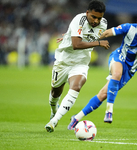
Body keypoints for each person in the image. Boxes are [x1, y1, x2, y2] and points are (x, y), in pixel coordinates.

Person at [45, 0, 109, 133]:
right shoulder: (78, 20)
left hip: (81, 62)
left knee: (76, 87)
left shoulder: (104, 24)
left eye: (99, 17)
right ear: (87, 13)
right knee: (55, 92)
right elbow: (76, 44)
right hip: (63, 61)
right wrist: (98, 43)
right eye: (93, 17)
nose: (96, 21)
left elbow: (88, 36)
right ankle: (53, 109)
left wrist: (69, 35)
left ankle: (54, 121)